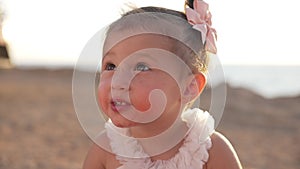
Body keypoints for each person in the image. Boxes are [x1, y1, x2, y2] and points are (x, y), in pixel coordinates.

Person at [83, 0, 242, 168]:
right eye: (111, 66)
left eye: (141, 67)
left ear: (189, 87)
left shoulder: (210, 150)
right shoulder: (106, 149)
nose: (118, 82)